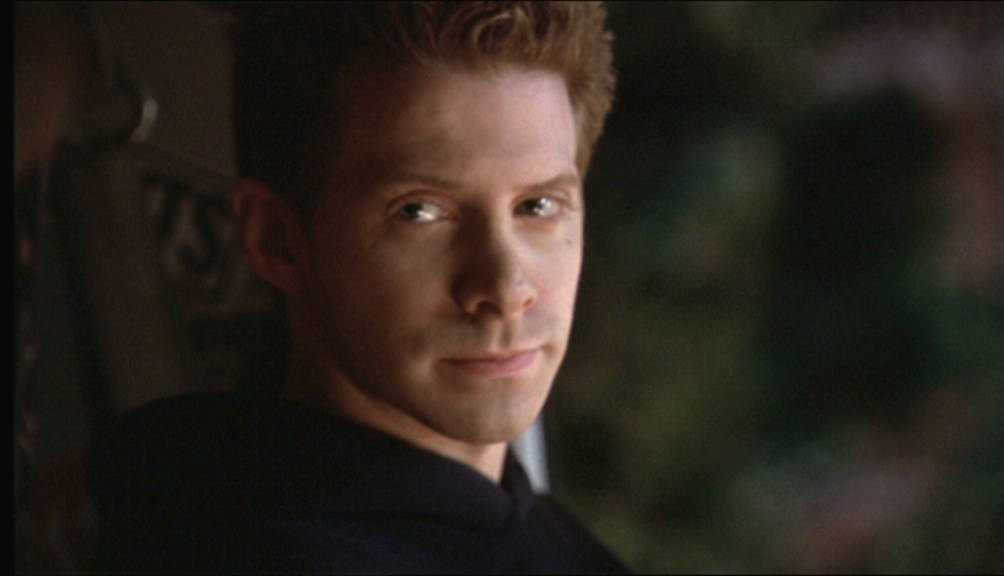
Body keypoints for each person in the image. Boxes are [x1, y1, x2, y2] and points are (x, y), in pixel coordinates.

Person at [93, 2, 625, 573]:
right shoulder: (262, 550)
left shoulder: (536, 535)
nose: (505, 287)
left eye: (538, 206)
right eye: (419, 211)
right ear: (277, 239)